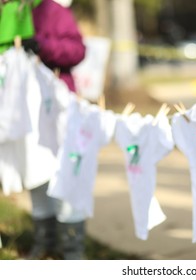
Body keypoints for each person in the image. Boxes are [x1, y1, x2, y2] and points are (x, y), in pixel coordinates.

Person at [0, 0, 86, 259]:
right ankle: (45, 243)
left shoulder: (52, 10)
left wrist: (43, 47)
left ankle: (73, 248)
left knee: (64, 174)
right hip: (20, 111)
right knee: (35, 174)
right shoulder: (6, 12)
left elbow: (77, 50)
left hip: (55, 108)